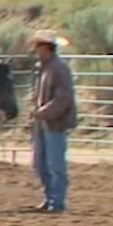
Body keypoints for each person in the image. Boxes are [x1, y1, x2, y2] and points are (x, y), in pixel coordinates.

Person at [28, 30, 76, 214]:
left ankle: (57, 201)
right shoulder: (43, 67)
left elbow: (64, 98)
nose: (35, 49)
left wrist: (44, 111)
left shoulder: (58, 68)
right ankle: (49, 197)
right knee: (40, 162)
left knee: (55, 163)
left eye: (37, 46)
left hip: (54, 122)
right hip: (42, 121)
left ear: (45, 47)